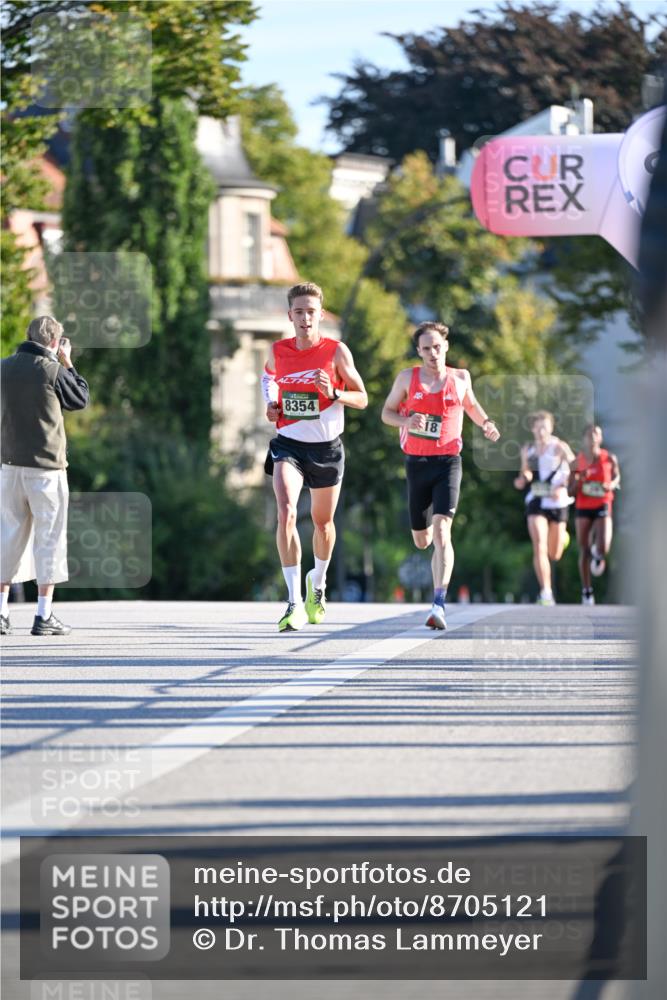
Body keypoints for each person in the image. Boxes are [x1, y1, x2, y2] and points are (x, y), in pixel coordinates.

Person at [381, 322, 500, 630]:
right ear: (418, 351)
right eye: (426, 348)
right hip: (417, 463)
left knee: (442, 531)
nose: (433, 353)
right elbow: (386, 413)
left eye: (437, 347)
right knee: (422, 541)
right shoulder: (408, 378)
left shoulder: (460, 378)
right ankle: (436, 595)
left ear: (446, 346)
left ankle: (438, 604)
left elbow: (471, 405)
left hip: (449, 462)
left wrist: (486, 423)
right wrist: (407, 419)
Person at [263, 282, 368, 632]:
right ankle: (292, 602)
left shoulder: (337, 352)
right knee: (287, 512)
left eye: (311, 311)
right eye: (299, 312)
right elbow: (268, 378)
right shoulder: (277, 351)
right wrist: (272, 405)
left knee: (323, 524)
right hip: (288, 444)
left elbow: (363, 398)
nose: (305, 318)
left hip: (327, 448)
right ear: (289, 315)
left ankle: (317, 585)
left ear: (320, 315)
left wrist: (335, 392)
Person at [1, 316, 89, 636]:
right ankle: (43, 615)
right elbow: (79, 398)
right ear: (54, 341)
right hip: (46, 469)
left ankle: (1, 612)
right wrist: (67, 362)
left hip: (9, 465)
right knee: (48, 539)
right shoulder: (51, 370)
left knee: (7, 537)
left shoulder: (4, 367)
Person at [513, 411, 574, 606]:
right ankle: (546, 592)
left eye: (544, 426)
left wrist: (562, 485)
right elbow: (525, 471)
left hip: (557, 500)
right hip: (537, 499)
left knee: (554, 553)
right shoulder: (528, 449)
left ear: (551, 427)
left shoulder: (559, 446)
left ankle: (562, 538)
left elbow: (575, 467)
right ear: (532, 429)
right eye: (537, 427)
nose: (540, 431)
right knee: (539, 545)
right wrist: (523, 480)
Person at [569, 424, 621, 605]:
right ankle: (587, 591)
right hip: (584, 507)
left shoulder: (609, 458)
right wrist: (579, 480)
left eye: (595, 434)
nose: (592, 438)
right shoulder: (577, 461)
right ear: (583, 439)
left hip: (603, 503)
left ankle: (598, 554)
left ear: (600, 438)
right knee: (583, 548)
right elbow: (570, 492)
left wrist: (611, 485)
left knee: (603, 546)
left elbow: (616, 478)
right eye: (589, 435)